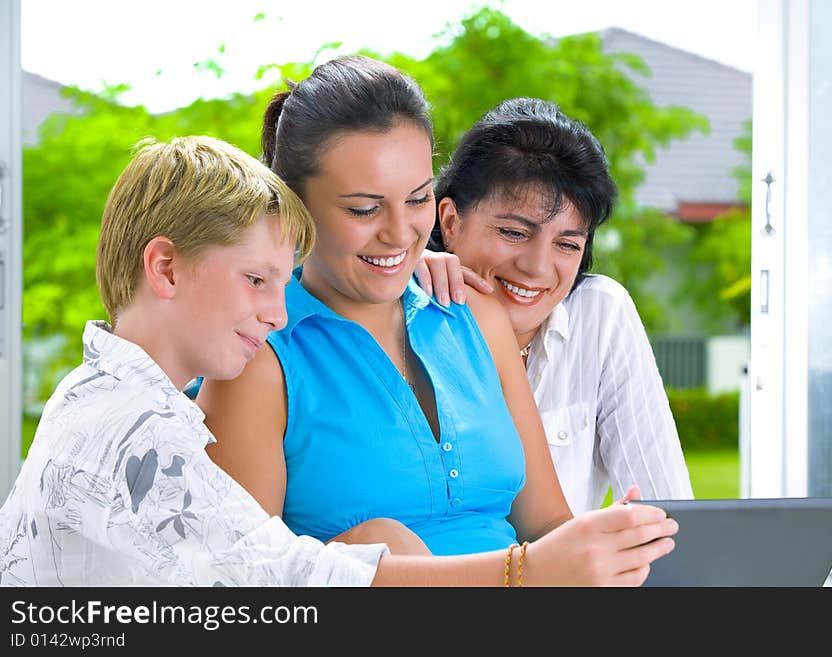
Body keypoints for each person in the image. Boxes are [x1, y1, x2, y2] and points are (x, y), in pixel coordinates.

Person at [0, 134, 676, 587]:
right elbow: (279, 578)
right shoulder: (129, 435)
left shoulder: (117, 404)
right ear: (166, 268)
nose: (277, 311)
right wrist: (522, 570)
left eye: (279, 282)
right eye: (257, 281)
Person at [197, 55, 676, 582]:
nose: (401, 233)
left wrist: (606, 548)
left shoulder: (475, 316)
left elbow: (548, 526)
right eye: (364, 209)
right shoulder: (257, 356)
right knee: (377, 540)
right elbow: (243, 587)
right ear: (294, 206)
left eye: (417, 198)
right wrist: (519, 575)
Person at [418, 97, 694, 514]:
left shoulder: (600, 314)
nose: (537, 267)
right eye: (513, 232)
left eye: (567, 244)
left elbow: (667, 509)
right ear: (450, 222)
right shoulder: (402, 308)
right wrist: (397, 274)